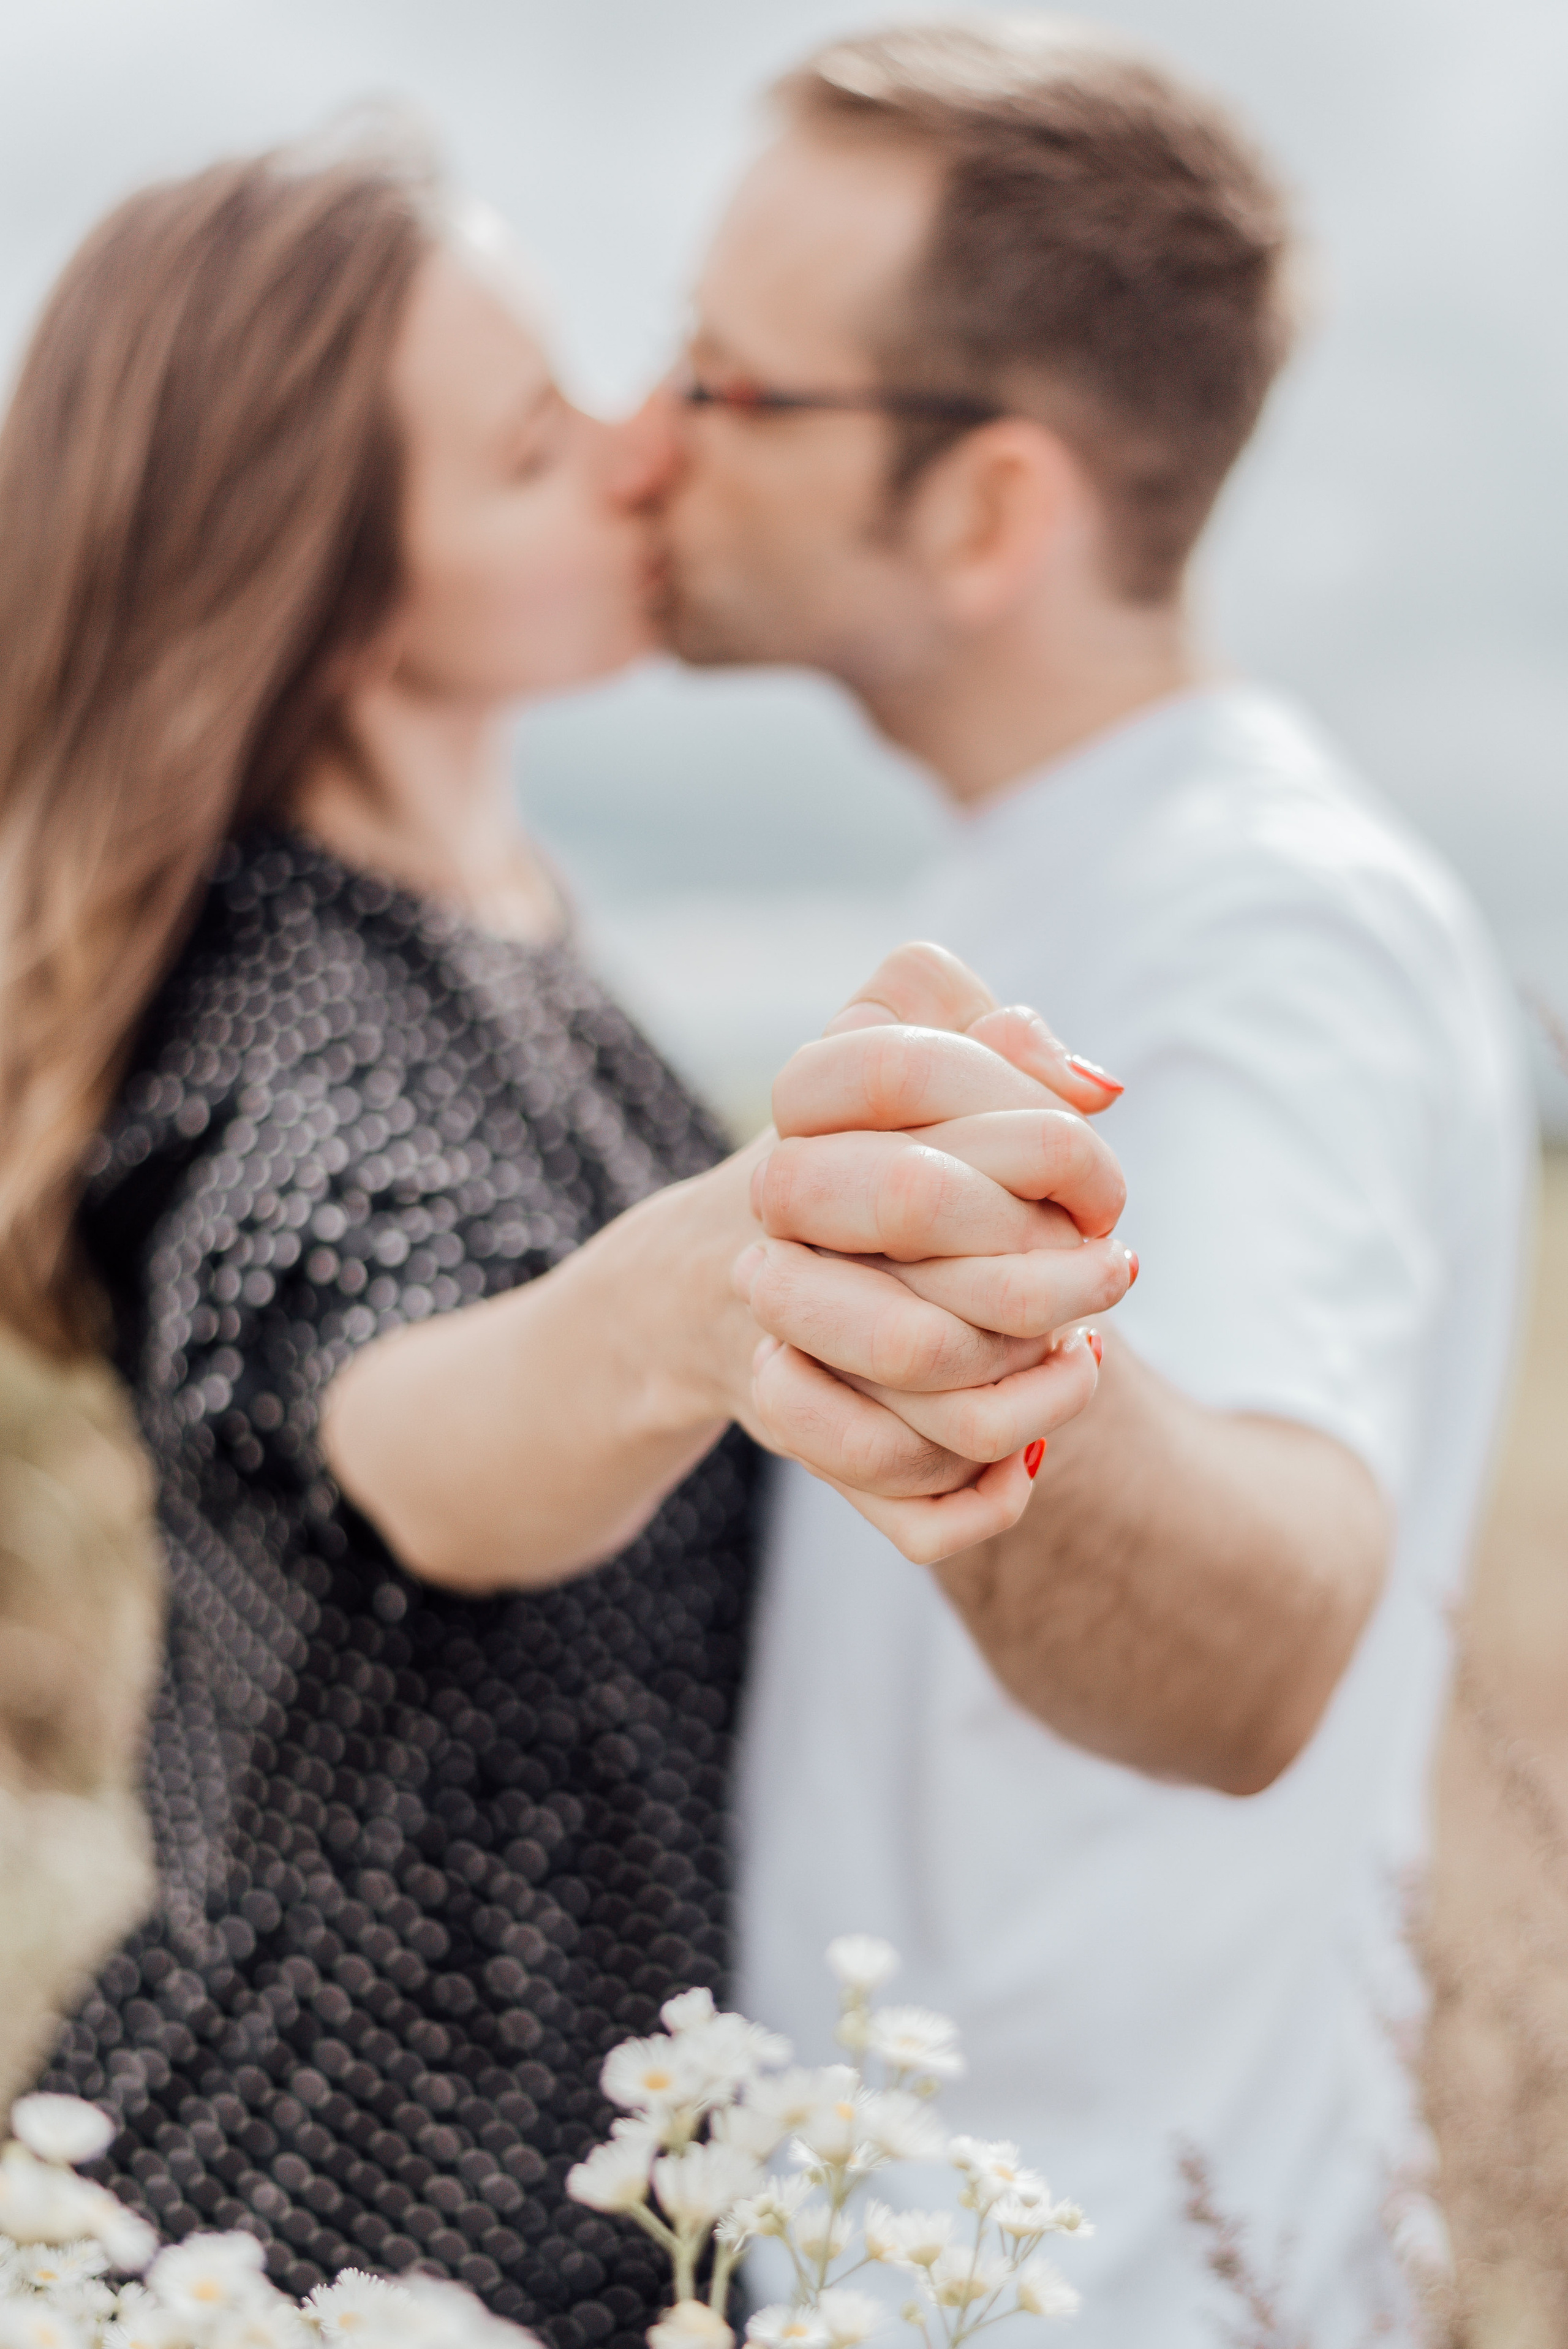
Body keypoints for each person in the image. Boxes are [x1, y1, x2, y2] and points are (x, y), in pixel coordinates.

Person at [0, 140, 1136, 2342]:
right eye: (534, 446)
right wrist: (706, 1292)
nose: (641, 445)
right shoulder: (268, 1020)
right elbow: (410, 1422)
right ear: (334, 598)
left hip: (601, 2195)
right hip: (318, 2221)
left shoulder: (512, 932)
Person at [639, 21, 1536, 2344]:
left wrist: (966, 1351)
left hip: (1108, 2288)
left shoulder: (1263, 929)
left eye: (729, 382)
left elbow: (1263, 1639)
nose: (650, 437)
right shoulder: (1056, 874)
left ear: (988, 510)